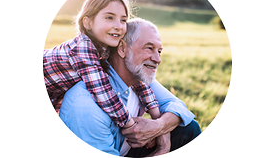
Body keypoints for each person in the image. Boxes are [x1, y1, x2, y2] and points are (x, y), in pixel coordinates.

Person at [59, 18, 201, 157]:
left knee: (189, 129)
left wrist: (158, 127)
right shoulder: (86, 105)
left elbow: (180, 108)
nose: (158, 59)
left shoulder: (140, 80)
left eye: (159, 51)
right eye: (149, 48)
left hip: (125, 150)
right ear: (122, 48)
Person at [43, 0, 161, 130]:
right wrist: (131, 127)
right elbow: (103, 93)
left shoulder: (107, 45)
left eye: (123, 20)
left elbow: (137, 80)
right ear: (87, 23)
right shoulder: (82, 50)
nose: (118, 26)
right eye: (109, 18)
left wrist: (156, 116)